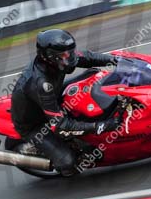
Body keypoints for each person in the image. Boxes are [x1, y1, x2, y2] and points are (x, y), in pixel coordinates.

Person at [10, 29, 121, 176]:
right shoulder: (41, 83)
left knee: (92, 74)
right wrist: (99, 126)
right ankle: (48, 154)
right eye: (64, 54)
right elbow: (60, 126)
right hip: (34, 125)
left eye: (70, 52)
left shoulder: (57, 61)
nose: (69, 57)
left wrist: (115, 59)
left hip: (51, 98)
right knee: (69, 163)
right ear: (50, 56)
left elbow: (86, 57)